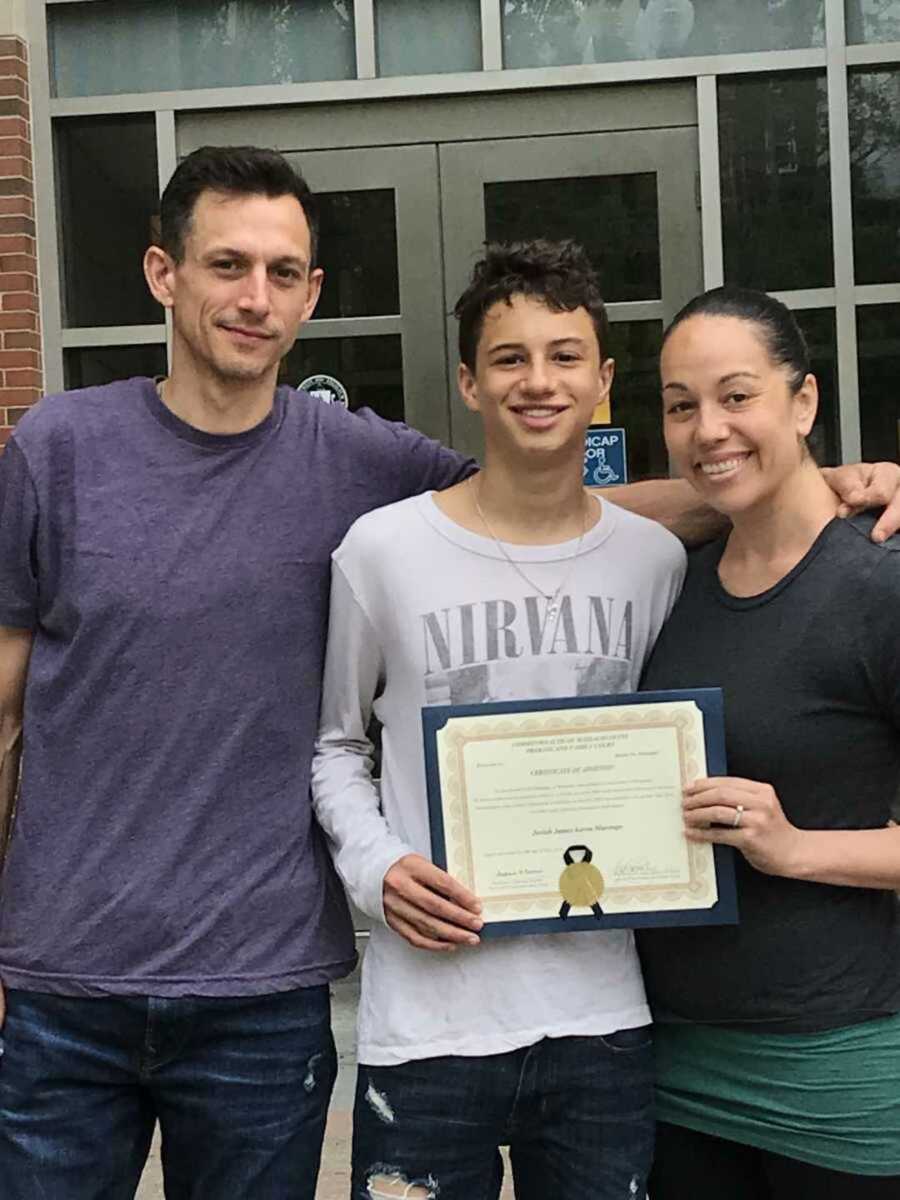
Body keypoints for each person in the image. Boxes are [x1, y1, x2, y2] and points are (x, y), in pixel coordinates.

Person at [0, 146, 894, 1200]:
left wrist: (817, 483)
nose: (256, 297)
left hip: (305, 993)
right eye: (228, 265)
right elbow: (13, 713)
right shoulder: (71, 450)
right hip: (74, 984)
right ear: (164, 274)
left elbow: (552, 504)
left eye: (284, 273)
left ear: (312, 293)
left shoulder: (376, 468)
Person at [311, 238, 688, 1200]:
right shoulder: (384, 550)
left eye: (565, 356)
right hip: (427, 1023)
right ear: (472, 383)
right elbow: (337, 747)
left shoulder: (653, 562)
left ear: (603, 380)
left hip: (603, 1014)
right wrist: (378, 867)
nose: (539, 381)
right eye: (509, 358)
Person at [637, 286, 900, 1197]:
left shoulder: (877, 585)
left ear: (805, 402)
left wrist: (795, 848)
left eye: (737, 396)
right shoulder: (676, 585)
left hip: (839, 1067)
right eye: (682, 406)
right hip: (677, 1066)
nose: (709, 428)